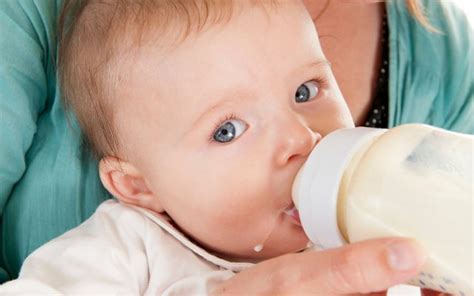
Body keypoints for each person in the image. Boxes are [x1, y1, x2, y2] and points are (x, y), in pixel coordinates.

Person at [0, 0, 470, 288]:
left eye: (305, 91)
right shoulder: (124, 253)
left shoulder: (360, 228)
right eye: (227, 130)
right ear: (138, 186)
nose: (301, 138)